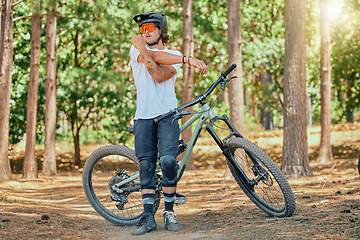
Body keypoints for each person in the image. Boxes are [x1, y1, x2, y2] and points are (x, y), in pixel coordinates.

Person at [130, 11, 207, 235]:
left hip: (167, 115)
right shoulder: (135, 50)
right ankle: (147, 218)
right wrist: (184, 58)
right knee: (145, 165)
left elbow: (159, 75)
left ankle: (169, 212)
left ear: (162, 30)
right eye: (142, 30)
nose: (144, 33)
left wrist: (182, 58)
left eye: (149, 28)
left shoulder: (171, 54)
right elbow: (155, 65)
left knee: (168, 161)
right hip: (143, 115)